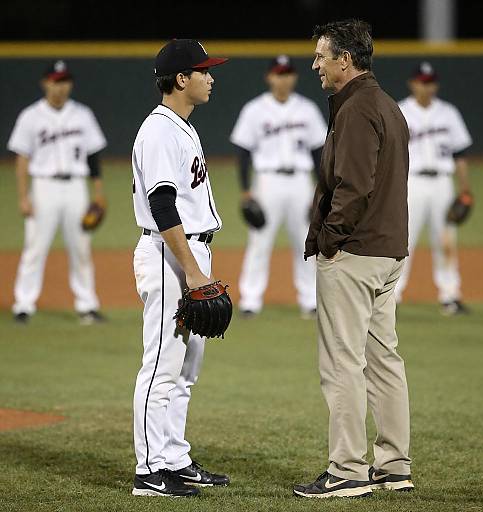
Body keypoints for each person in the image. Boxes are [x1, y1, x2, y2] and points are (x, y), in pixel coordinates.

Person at [293, 20, 413, 499]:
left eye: (321, 56)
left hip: (356, 252)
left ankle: (346, 471)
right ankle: (393, 465)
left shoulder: (358, 108)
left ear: (346, 59)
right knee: (384, 359)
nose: (315, 64)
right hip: (387, 251)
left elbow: (355, 185)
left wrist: (329, 239)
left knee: (343, 363)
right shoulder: (386, 103)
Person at [131, 39, 230, 498]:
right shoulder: (159, 132)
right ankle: (150, 470)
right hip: (172, 255)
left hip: (189, 254)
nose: (211, 77)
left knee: (186, 369)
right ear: (181, 79)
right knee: (161, 365)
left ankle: (174, 458)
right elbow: (162, 205)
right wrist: (192, 271)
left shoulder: (182, 127)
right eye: (204, 70)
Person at [7, 60, 107, 325]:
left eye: (64, 81)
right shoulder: (30, 116)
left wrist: (98, 192)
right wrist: (23, 196)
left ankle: (87, 305)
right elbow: (22, 159)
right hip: (43, 187)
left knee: (81, 248)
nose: (60, 87)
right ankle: (24, 304)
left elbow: (94, 155)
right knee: (35, 247)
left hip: (76, 186)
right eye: (55, 81)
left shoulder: (82, 114)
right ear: (45, 83)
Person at [230, 55, 327, 319]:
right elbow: (243, 152)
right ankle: (250, 300)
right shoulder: (254, 110)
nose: (282, 78)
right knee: (259, 241)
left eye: (287, 73)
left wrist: (320, 189)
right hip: (267, 180)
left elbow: (320, 152)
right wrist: (245, 191)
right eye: (278, 73)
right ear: (269, 77)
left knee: (307, 242)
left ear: (294, 77)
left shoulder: (307, 109)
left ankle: (310, 300)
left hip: (300, 180)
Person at [394, 62, 473, 315]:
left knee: (446, 241)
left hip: (442, 183)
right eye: (422, 82)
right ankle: (391, 296)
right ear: (412, 84)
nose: (427, 87)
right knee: (402, 241)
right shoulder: (400, 111)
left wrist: (465, 189)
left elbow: (459, 154)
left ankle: (450, 295)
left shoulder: (448, 113)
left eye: (430, 82)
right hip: (412, 183)